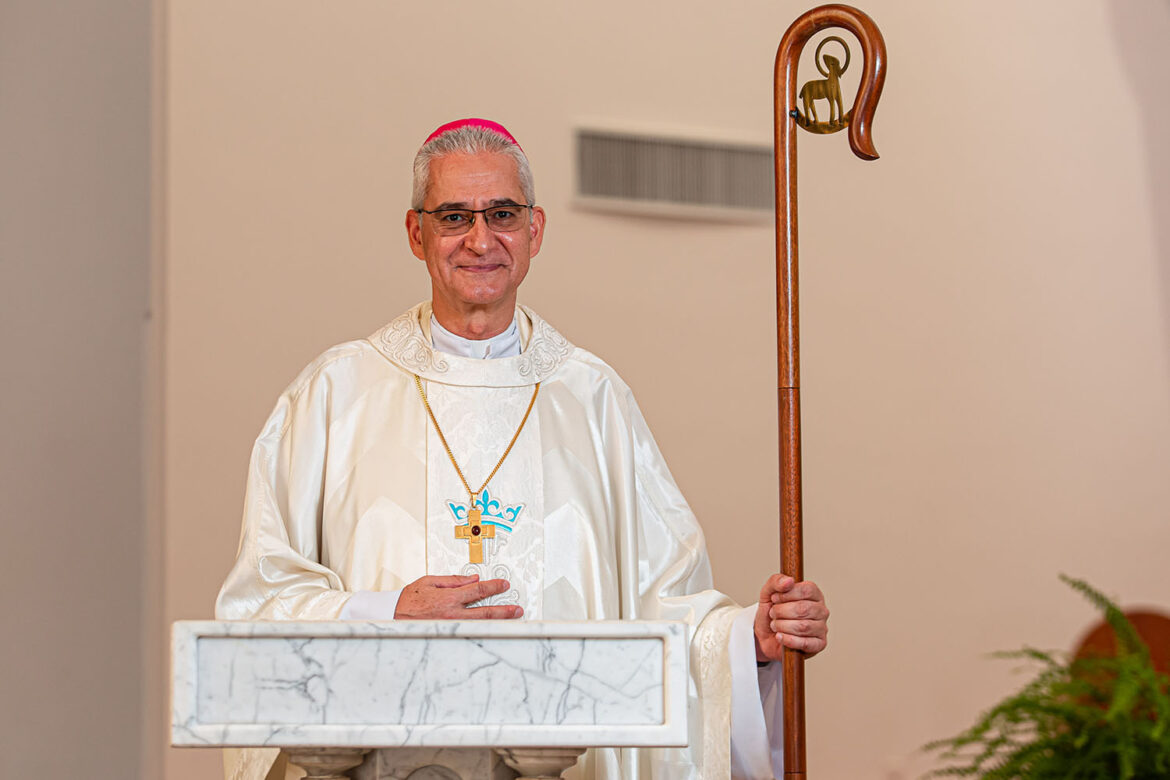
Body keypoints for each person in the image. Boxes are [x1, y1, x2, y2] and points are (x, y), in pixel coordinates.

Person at [216, 118, 829, 780]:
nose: (481, 240)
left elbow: (666, 612)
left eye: (501, 214)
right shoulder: (335, 395)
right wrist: (389, 613)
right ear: (416, 233)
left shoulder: (593, 401)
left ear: (534, 231)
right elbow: (261, 603)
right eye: (454, 216)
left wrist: (750, 644)